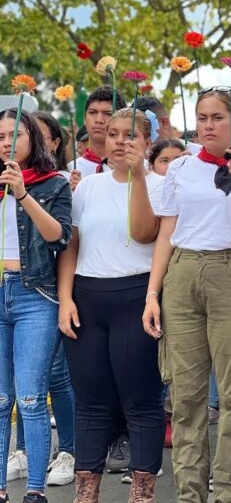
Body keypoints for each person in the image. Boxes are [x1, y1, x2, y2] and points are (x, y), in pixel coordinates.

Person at [142, 88, 231, 503]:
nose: (209, 126)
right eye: (202, 118)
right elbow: (166, 232)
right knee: (185, 396)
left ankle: (229, 493)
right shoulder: (180, 167)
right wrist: (152, 294)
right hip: (182, 274)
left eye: (218, 117)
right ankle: (190, 494)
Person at [58, 108, 165, 502]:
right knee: (91, 402)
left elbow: (145, 234)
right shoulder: (88, 186)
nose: (120, 141)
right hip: (87, 296)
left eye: (130, 134)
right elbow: (71, 245)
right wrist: (66, 298)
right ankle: (86, 493)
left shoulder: (160, 185)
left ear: (148, 142)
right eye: (114, 133)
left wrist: (138, 176)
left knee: (140, 401)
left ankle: (142, 492)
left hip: (136, 295)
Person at [0, 108, 72, 503]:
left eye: (15, 135)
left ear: (33, 138)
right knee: (0, 400)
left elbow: (59, 237)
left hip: (35, 294)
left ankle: (34, 492)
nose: (6, 143)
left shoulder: (53, 183)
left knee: (30, 397)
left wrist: (22, 194)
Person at [67, 87, 126, 177]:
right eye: (93, 112)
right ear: (84, 119)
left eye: (108, 114)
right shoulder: (70, 170)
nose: (99, 120)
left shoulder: (134, 169)